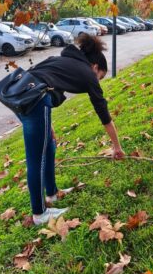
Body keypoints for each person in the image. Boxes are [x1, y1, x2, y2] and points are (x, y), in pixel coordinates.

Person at [19, 33, 124, 225]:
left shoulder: (63, 60)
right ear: (95, 67)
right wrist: (117, 147)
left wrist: (46, 124)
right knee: (37, 158)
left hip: (23, 97)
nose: (97, 82)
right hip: (34, 100)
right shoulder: (86, 73)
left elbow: (41, 80)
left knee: (49, 146)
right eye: (100, 77)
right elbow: (104, 116)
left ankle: (51, 194)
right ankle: (39, 214)